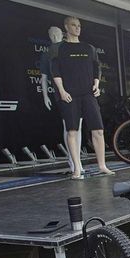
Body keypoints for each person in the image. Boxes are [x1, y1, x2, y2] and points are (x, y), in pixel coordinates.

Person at [50, 16, 113, 179]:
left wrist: (97, 85)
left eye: (79, 25)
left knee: (98, 130)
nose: (77, 28)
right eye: (73, 25)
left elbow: (96, 68)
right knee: (72, 131)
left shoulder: (89, 48)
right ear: (66, 27)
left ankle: (102, 165)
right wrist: (62, 91)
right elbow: (55, 71)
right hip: (70, 94)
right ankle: (77, 168)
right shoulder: (59, 49)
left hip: (88, 94)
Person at [39, 26, 82, 174]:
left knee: (77, 127)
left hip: (77, 91)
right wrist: (45, 96)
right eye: (52, 33)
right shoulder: (48, 53)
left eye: (57, 33)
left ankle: (77, 161)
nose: (55, 36)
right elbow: (44, 77)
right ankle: (73, 161)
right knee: (70, 127)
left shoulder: (68, 48)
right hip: (62, 93)